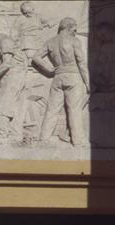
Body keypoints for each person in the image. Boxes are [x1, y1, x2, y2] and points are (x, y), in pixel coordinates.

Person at [33, 17, 90, 146]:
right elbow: (81, 62)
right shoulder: (74, 41)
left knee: (51, 109)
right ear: (68, 27)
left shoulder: (50, 42)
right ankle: (77, 141)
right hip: (73, 76)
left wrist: (49, 69)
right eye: (74, 29)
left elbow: (36, 57)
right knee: (74, 109)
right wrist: (87, 82)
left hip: (58, 77)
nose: (75, 32)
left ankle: (43, 139)